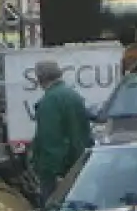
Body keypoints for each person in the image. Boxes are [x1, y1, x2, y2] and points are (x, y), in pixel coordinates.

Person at [28, 59, 92, 196]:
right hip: (80, 165)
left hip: (58, 172)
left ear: (40, 78)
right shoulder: (74, 96)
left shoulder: (49, 102)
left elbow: (50, 140)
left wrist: (55, 172)